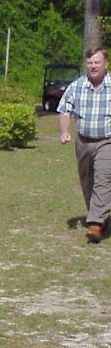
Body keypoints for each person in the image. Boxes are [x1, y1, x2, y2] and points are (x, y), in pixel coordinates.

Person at [57, 47, 111, 244]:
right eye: (90, 62)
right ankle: (101, 218)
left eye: (97, 62)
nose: (93, 66)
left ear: (106, 64)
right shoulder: (77, 86)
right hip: (83, 141)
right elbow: (64, 110)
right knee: (87, 180)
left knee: (103, 179)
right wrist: (64, 131)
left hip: (107, 141)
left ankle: (95, 224)